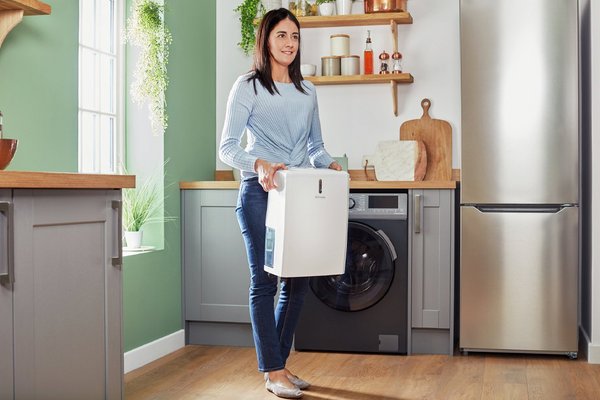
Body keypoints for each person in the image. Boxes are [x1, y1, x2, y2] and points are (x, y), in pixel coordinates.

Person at [219, 7, 342, 399]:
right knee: (264, 282)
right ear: (266, 41)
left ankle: (281, 365)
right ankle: (272, 371)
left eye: (294, 36)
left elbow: (316, 147)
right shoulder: (248, 87)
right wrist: (259, 163)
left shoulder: (308, 91)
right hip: (259, 193)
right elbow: (226, 148)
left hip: (300, 196)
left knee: (298, 283)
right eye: (281, 36)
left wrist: (331, 163)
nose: (289, 43)